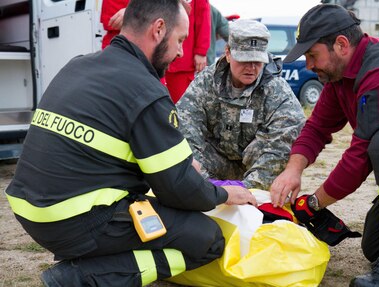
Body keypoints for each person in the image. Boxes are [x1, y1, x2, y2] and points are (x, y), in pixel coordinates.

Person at [5, 0, 257, 286]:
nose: (181, 52)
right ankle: (81, 278)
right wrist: (223, 195)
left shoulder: (78, 66)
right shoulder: (146, 91)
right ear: (159, 29)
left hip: (30, 210)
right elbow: (178, 192)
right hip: (74, 219)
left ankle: (96, 259)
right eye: (180, 40)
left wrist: (182, 169)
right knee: (207, 239)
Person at [270, 4, 379, 287]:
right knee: (376, 248)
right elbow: (317, 127)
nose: (308, 65)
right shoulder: (341, 77)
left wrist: (315, 202)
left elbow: (360, 156)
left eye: (312, 55)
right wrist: (293, 170)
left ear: (341, 45)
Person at [176, 19, 305, 191]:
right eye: (244, 60)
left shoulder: (277, 91)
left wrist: (247, 188)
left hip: (256, 170)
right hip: (213, 165)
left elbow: (280, 146)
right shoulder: (207, 82)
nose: (251, 67)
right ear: (228, 53)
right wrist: (208, 187)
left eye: (257, 61)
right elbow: (186, 127)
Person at [164, 0, 211, 104]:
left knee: (181, 105)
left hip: (183, 63)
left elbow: (203, 18)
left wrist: (201, 51)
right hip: (160, 57)